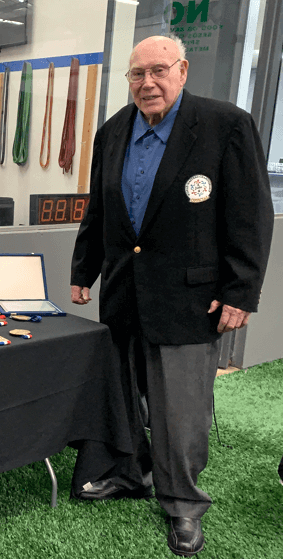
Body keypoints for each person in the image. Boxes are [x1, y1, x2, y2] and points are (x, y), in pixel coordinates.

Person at [70, 35, 273, 558]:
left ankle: (183, 503)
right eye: (137, 74)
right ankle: (129, 474)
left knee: (180, 410)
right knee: (122, 394)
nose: (147, 83)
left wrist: (241, 290)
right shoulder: (113, 131)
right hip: (123, 292)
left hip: (189, 299)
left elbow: (250, 215)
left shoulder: (225, 125)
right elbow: (100, 209)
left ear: (182, 70)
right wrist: (84, 270)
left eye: (158, 70)